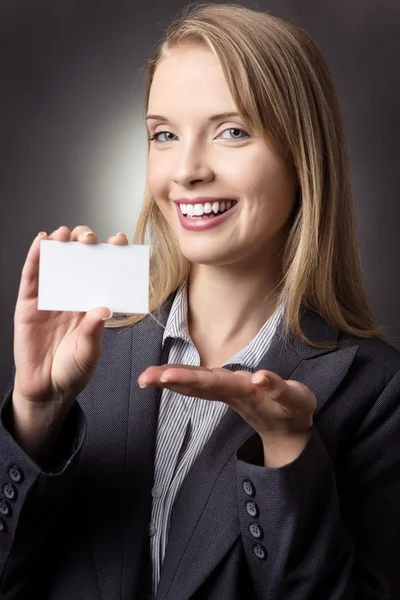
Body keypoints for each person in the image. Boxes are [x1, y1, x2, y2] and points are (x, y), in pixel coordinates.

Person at [1, 3, 400, 599]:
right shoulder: (90, 352)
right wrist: (35, 412)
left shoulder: (375, 390)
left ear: (303, 157)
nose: (185, 170)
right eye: (164, 135)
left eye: (232, 131)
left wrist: (287, 455)